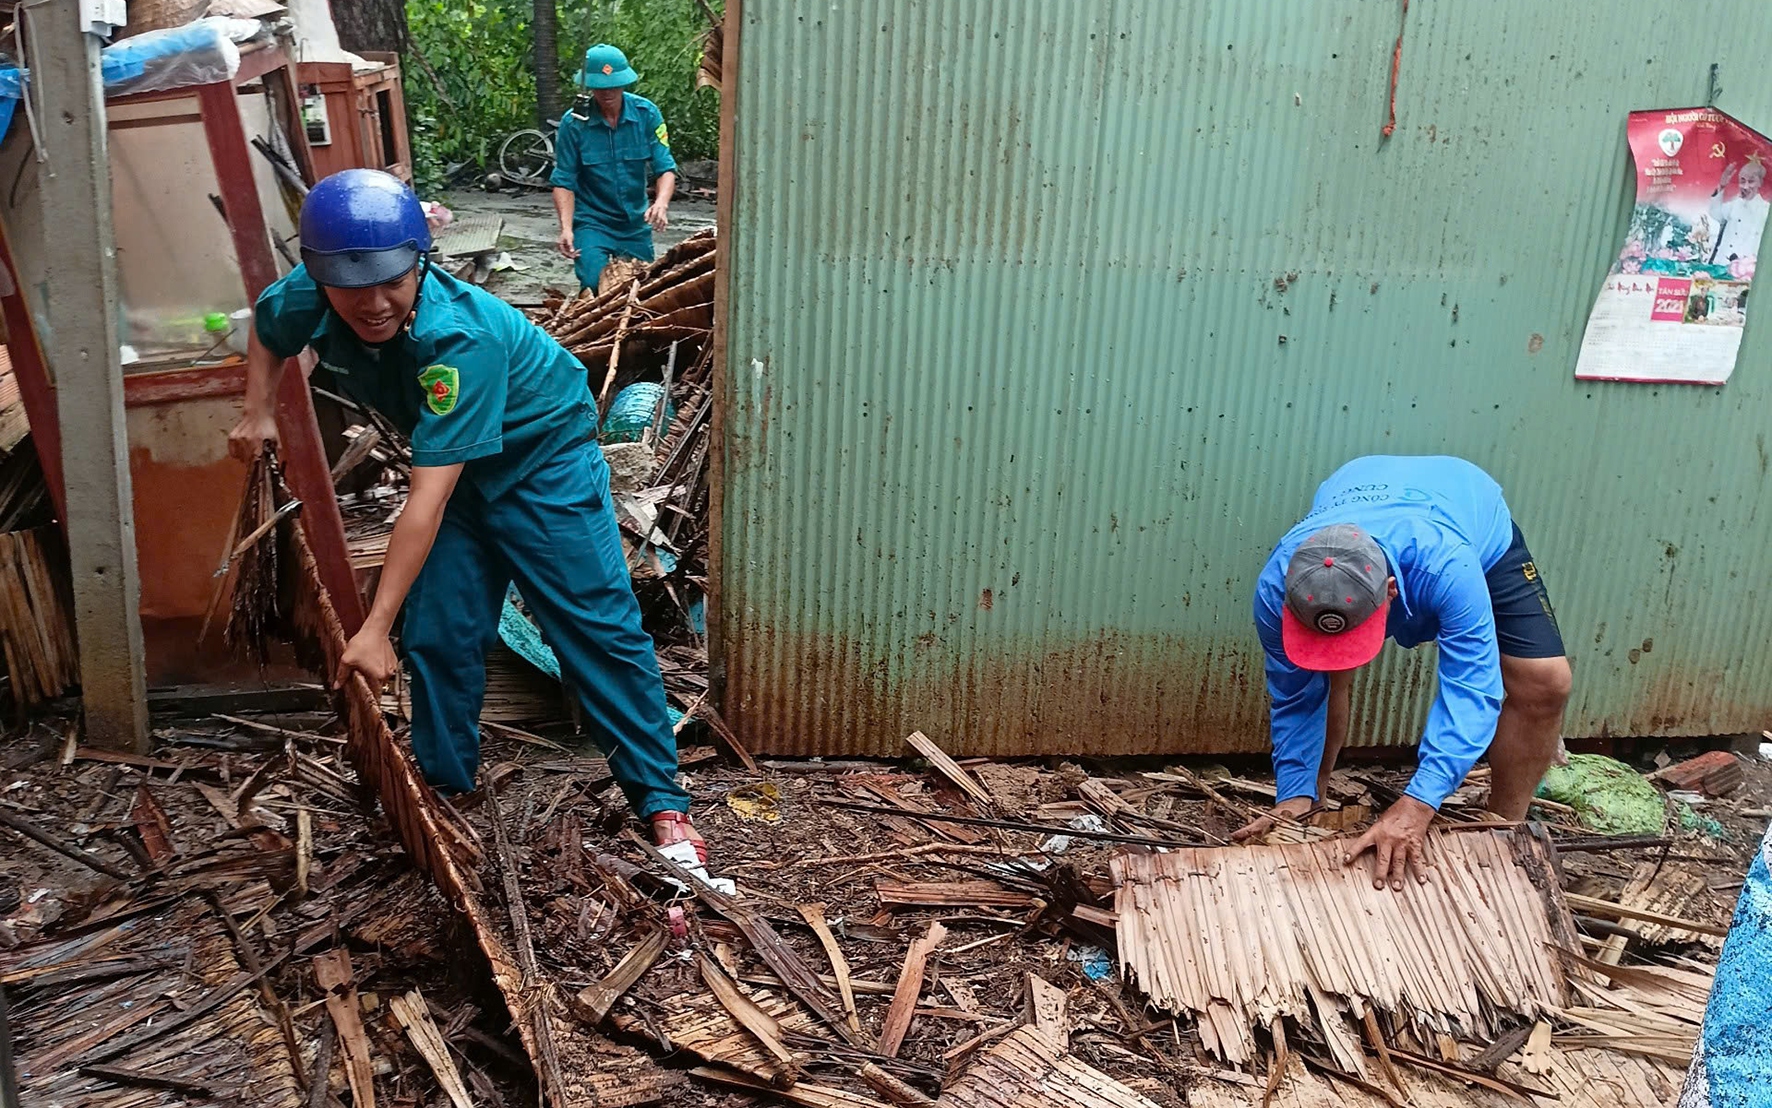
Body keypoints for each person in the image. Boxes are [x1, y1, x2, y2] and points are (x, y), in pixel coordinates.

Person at [226, 168, 705, 859]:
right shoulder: (314, 291)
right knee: (442, 633)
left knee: (596, 628)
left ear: (422, 260)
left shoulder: (460, 341)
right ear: (320, 274)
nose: (373, 303)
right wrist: (257, 411)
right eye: (350, 287)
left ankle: (662, 803)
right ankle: (447, 790)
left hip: (542, 461)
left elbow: (426, 497)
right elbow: (270, 333)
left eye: (392, 280)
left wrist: (373, 627)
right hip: (456, 466)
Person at [1237, 456, 1571, 890]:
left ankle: (1501, 834)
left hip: (1465, 514)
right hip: (1362, 488)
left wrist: (1418, 803)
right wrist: (1291, 796)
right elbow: (1295, 695)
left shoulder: (1449, 567)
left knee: (1545, 681)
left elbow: (1472, 689)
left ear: (1390, 593)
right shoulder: (1276, 587)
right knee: (1321, 673)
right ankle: (1310, 806)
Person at [551, 43, 677, 290]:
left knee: (643, 286)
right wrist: (566, 228)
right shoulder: (574, 123)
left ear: (624, 82)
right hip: (592, 220)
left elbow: (665, 168)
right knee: (593, 281)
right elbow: (563, 180)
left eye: (613, 85)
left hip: (634, 222)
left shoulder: (647, 114)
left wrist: (661, 203)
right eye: (600, 86)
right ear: (590, 86)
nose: (607, 92)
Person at [1708, 153, 1768, 266]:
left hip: (1748, 269)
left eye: (1751, 181)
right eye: (1742, 181)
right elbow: (1715, 213)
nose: (1745, 186)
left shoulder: (1765, 210)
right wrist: (1722, 186)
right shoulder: (1733, 205)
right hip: (1722, 264)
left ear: (1760, 183)